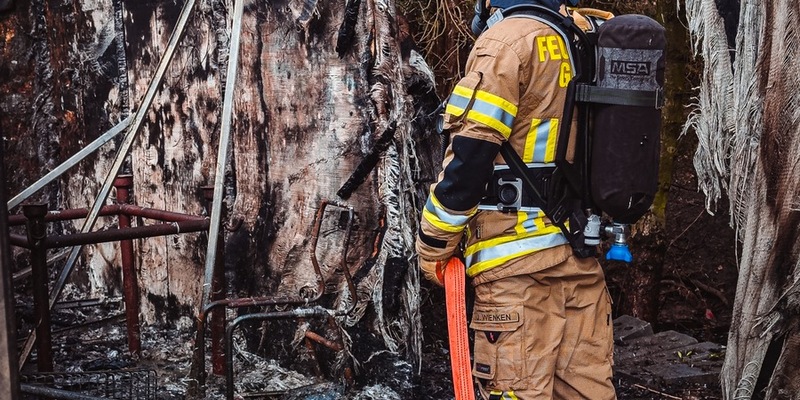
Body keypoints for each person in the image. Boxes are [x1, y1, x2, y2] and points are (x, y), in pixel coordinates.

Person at [416, 1, 616, 399]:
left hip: (515, 273)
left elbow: (470, 158)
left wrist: (434, 243)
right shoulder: (585, 39)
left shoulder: (506, 43)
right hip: (580, 258)